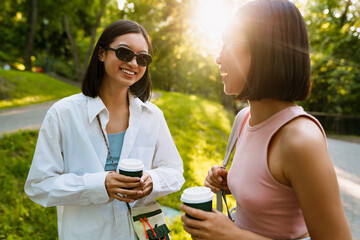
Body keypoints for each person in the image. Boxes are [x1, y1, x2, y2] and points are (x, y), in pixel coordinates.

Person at [180, 0, 352, 239]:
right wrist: (232, 183)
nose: (218, 59)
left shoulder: (301, 140)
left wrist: (231, 235)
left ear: (265, 49)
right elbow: (272, 191)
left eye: (227, 44)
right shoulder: (244, 118)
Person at [25, 19, 185, 240]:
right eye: (124, 53)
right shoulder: (63, 114)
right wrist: (99, 185)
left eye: (143, 58)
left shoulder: (153, 116)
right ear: (101, 53)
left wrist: (152, 180)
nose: (134, 63)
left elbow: (175, 172)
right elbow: (38, 185)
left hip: (143, 233)